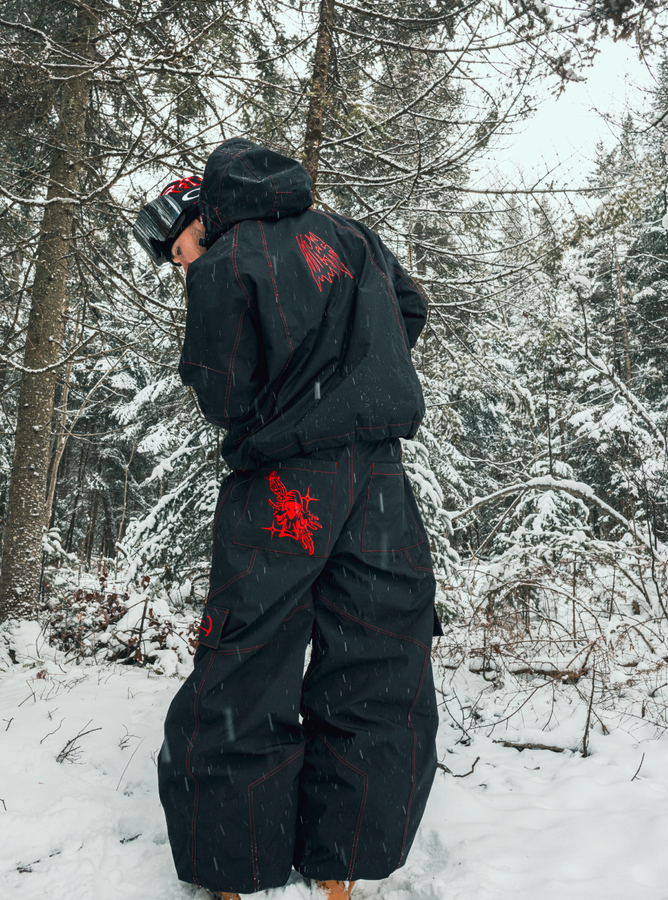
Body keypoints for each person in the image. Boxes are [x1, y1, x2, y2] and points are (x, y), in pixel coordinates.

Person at [133, 138, 441, 900]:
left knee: (249, 662)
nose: (183, 265)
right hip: (379, 481)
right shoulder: (351, 236)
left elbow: (222, 391)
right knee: (377, 659)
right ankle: (343, 859)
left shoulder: (226, 263)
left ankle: (235, 864)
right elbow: (410, 307)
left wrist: (292, 398)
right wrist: (352, 373)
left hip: (284, 487)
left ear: (202, 217)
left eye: (180, 250)